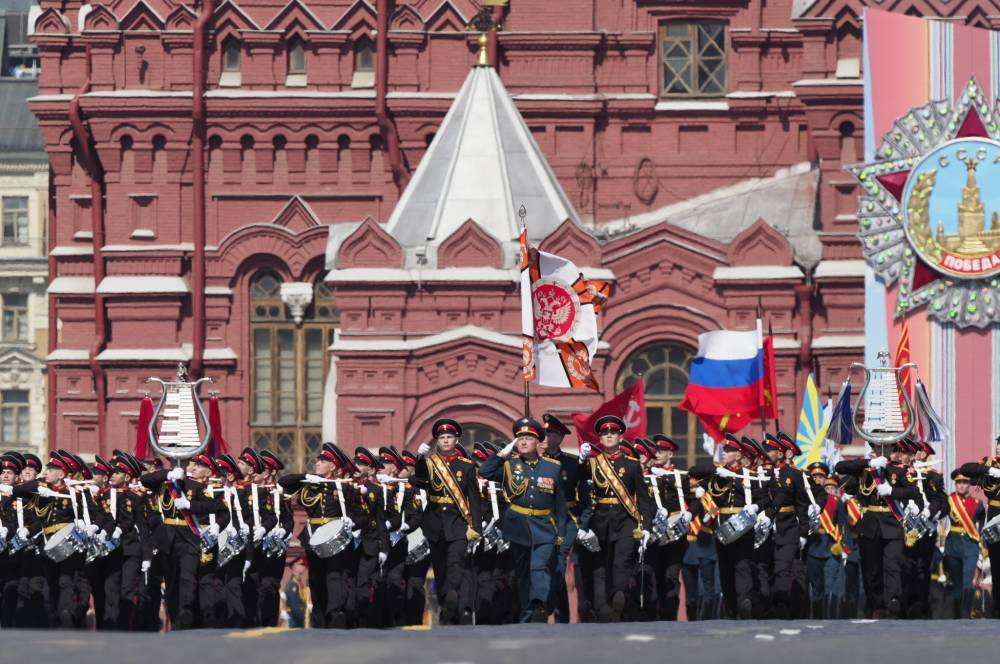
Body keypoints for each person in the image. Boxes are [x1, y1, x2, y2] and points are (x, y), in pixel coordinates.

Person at [479, 417, 566, 623]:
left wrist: (561, 531)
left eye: (528, 438)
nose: (524, 442)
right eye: (520, 438)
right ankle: (529, 614)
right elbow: (485, 471)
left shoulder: (552, 467)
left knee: (539, 566)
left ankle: (539, 604)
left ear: (538, 442)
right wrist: (503, 453)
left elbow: (559, 503)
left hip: (544, 527)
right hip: (517, 527)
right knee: (523, 574)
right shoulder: (509, 465)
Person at [278, 443, 364, 629]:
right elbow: (283, 482)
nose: (317, 463)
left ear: (333, 466)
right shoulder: (309, 485)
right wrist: (305, 477)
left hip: (337, 537)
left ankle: (335, 615)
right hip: (313, 538)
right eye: (318, 460)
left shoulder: (344, 487)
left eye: (323, 461)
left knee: (335, 576)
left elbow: (360, 515)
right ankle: (319, 618)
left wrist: (351, 521)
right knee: (316, 578)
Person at [578, 415, 654, 622]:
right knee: (600, 566)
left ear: (620, 437)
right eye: (604, 433)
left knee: (622, 560)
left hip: (625, 520)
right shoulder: (593, 464)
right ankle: (602, 607)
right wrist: (580, 460)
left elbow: (644, 499)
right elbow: (577, 486)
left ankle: (618, 594)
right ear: (600, 439)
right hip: (599, 521)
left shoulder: (631, 464)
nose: (609, 435)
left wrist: (646, 526)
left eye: (613, 432)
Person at [140, 452, 226, 630]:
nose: (192, 467)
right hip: (167, 538)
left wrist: (190, 506)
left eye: (196, 465)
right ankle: (175, 617)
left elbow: (215, 507)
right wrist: (168, 474)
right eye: (190, 464)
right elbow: (145, 480)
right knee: (171, 581)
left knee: (188, 576)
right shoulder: (166, 483)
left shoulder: (198, 487)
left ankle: (187, 608)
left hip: (189, 536)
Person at [835, 439, 920, 618]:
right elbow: (839, 467)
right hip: (871, 523)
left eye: (887, 447)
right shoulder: (865, 468)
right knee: (870, 568)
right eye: (877, 447)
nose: (882, 449)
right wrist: (868, 463)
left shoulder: (898, 470)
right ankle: (876, 602)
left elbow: (914, 492)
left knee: (892, 564)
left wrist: (892, 492)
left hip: (892, 522)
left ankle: (893, 601)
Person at [689, 435, 771, 619]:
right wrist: (708, 480)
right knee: (725, 569)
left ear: (739, 454)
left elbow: (766, 497)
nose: (724, 453)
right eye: (724, 450)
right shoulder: (717, 474)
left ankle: (745, 603)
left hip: (744, 526)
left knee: (742, 565)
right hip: (723, 527)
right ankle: (732, 608)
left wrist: (756, 507)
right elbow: (694, 473)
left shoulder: (749, 475)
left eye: (728, 451)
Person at [412, 419, 482, 625]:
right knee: (441, 568)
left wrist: (475, 527)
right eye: (441, 437)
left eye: (449, 437)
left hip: (458, 523)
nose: (445, 440)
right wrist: (419, 458)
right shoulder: (430, 462)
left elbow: (474, 499)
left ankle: (452, 593)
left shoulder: (466, 466)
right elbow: (422, 482)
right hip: (435, 524)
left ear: (456, 440)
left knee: (456, 563)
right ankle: (447, 606)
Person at [540, 413, 590, 623]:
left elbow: (584, 487)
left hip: (565, 519)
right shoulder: (533, 461)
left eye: (549, 433)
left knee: (559, 561)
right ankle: (551, 607)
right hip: (540, 519)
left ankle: (556, 606)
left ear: (559, 437)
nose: (544, 437)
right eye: (543, 433)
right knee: (545, 564)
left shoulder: (571, 463)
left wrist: (583, 462)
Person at [647, 434, 692, 620]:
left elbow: (694, 499)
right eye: (655, 450)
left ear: (670, 454)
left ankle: (670, 614)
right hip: (655, 530)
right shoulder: (648, 476)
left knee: (672, 574)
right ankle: (657, 614)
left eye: (661, 450)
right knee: (656, 574)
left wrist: (690, 514)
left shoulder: (680, 476)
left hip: (675, 531)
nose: (657, 453)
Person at [943, 468, 985, 618]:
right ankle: (956, 615)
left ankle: (966, 615)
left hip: (970, 545)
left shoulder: (978, 504)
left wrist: (982, 549)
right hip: (953, 544)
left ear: (970, 484)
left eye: (964, 482)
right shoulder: (949, 500)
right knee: (956, 584)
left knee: (968, 581)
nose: (961, 485)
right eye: (958, 482)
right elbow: (939, 513)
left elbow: (982, 527)